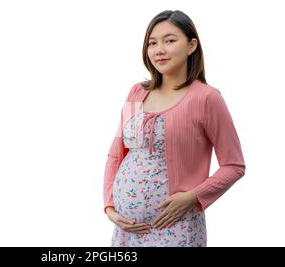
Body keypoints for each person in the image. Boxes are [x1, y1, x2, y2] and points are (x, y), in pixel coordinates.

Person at [103, 10, 246, 247]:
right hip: (126, 231)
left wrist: (192, 197)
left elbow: (234, 166)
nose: (159, 49)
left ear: (191, 45)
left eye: (169, 41)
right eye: (152, 43)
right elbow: (116, 154)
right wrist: (109, 206)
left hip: (176, 228)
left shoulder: (206, 98)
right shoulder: (137, 92)